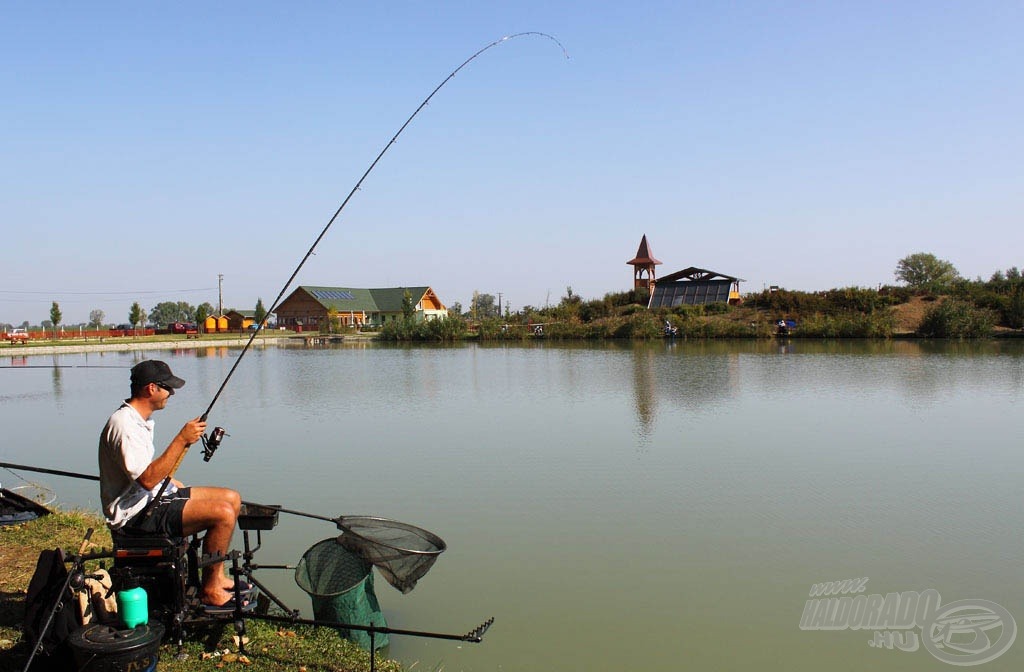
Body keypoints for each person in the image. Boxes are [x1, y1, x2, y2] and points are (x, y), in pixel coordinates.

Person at [98, 359, 244, 610]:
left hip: (152, 497)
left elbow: (146, 473)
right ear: (151, 388)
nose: (172, 393)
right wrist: (181, 439)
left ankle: (216, 576)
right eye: (168, 387)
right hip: (135, 515)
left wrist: (169, 480)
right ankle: (209, 590)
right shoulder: (124, 425)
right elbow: (146, 479)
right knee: (223, 514)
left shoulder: (138, 420)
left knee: (232, 498)